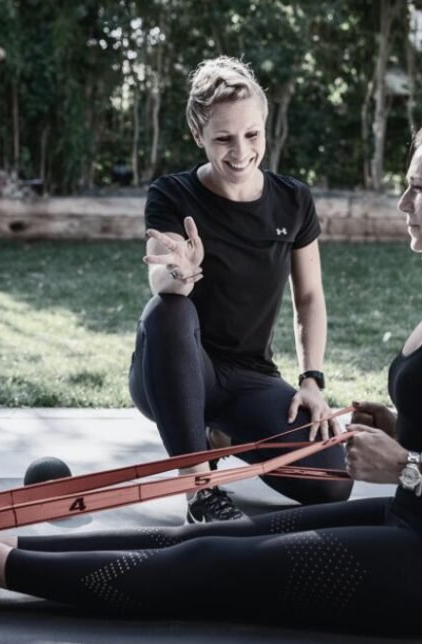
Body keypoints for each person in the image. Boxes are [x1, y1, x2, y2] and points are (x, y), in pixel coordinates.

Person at [0, 109, 422, 637]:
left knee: (213, 561)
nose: (403, 201)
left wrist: (407, 463)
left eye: (420, 187)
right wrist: (398, 428)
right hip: (412, 520)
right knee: (217, 531)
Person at [129, 56, 350, 523]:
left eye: (252, 134)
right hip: (177, 370)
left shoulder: (293, 200)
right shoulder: (172, 195)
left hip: (250, 376)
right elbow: (160, 277)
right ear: (198, 137)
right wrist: (181, 275)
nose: (241, 151)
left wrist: (312, 379)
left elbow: (308, 297)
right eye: (223, 138)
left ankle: (216, 433)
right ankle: (199, 492)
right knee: (166, 310)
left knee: (333, 481)